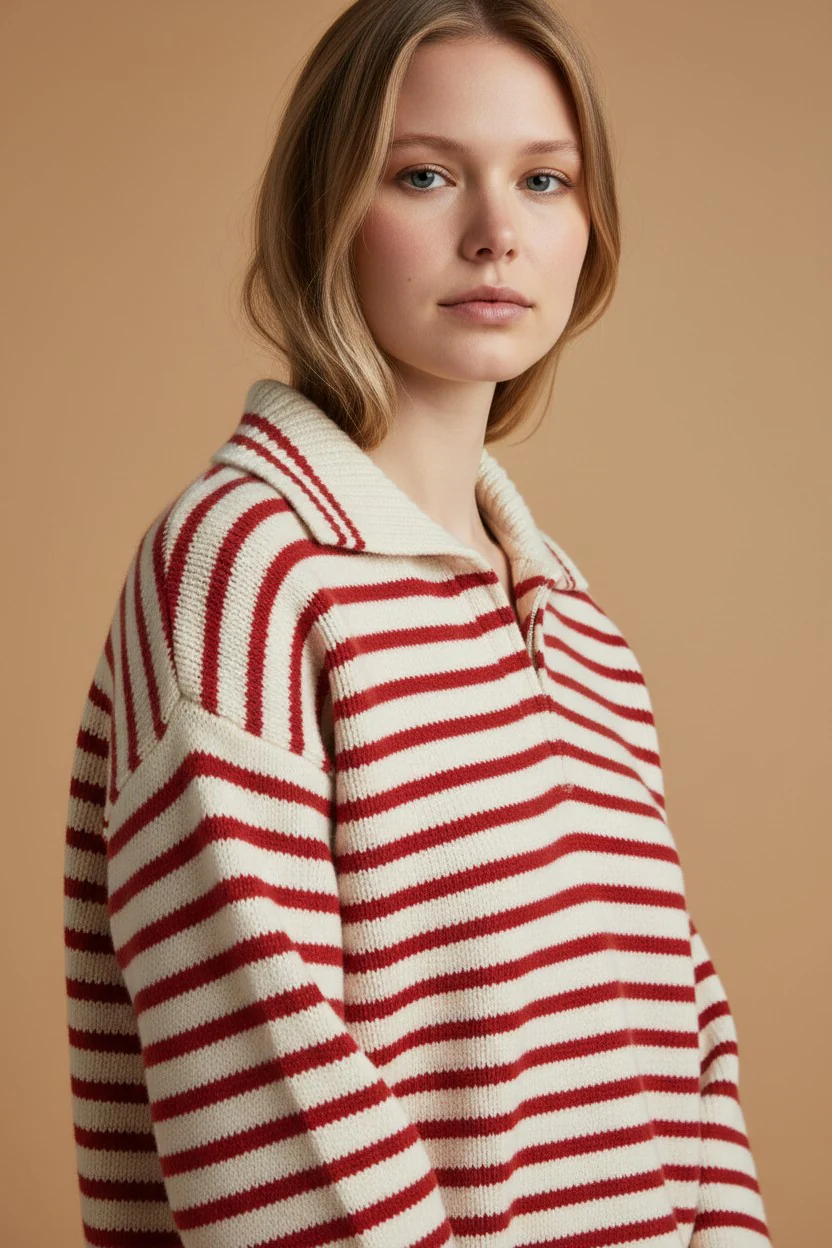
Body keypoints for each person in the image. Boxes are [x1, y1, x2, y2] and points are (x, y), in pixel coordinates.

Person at [62, 1, 772, 1245]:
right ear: (323, 211)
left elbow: (683, 1033)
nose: (498, 231)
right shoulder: (243, 567)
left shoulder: (581, 628)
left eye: (544, 180)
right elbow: (269, 1094)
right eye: (426, 175)